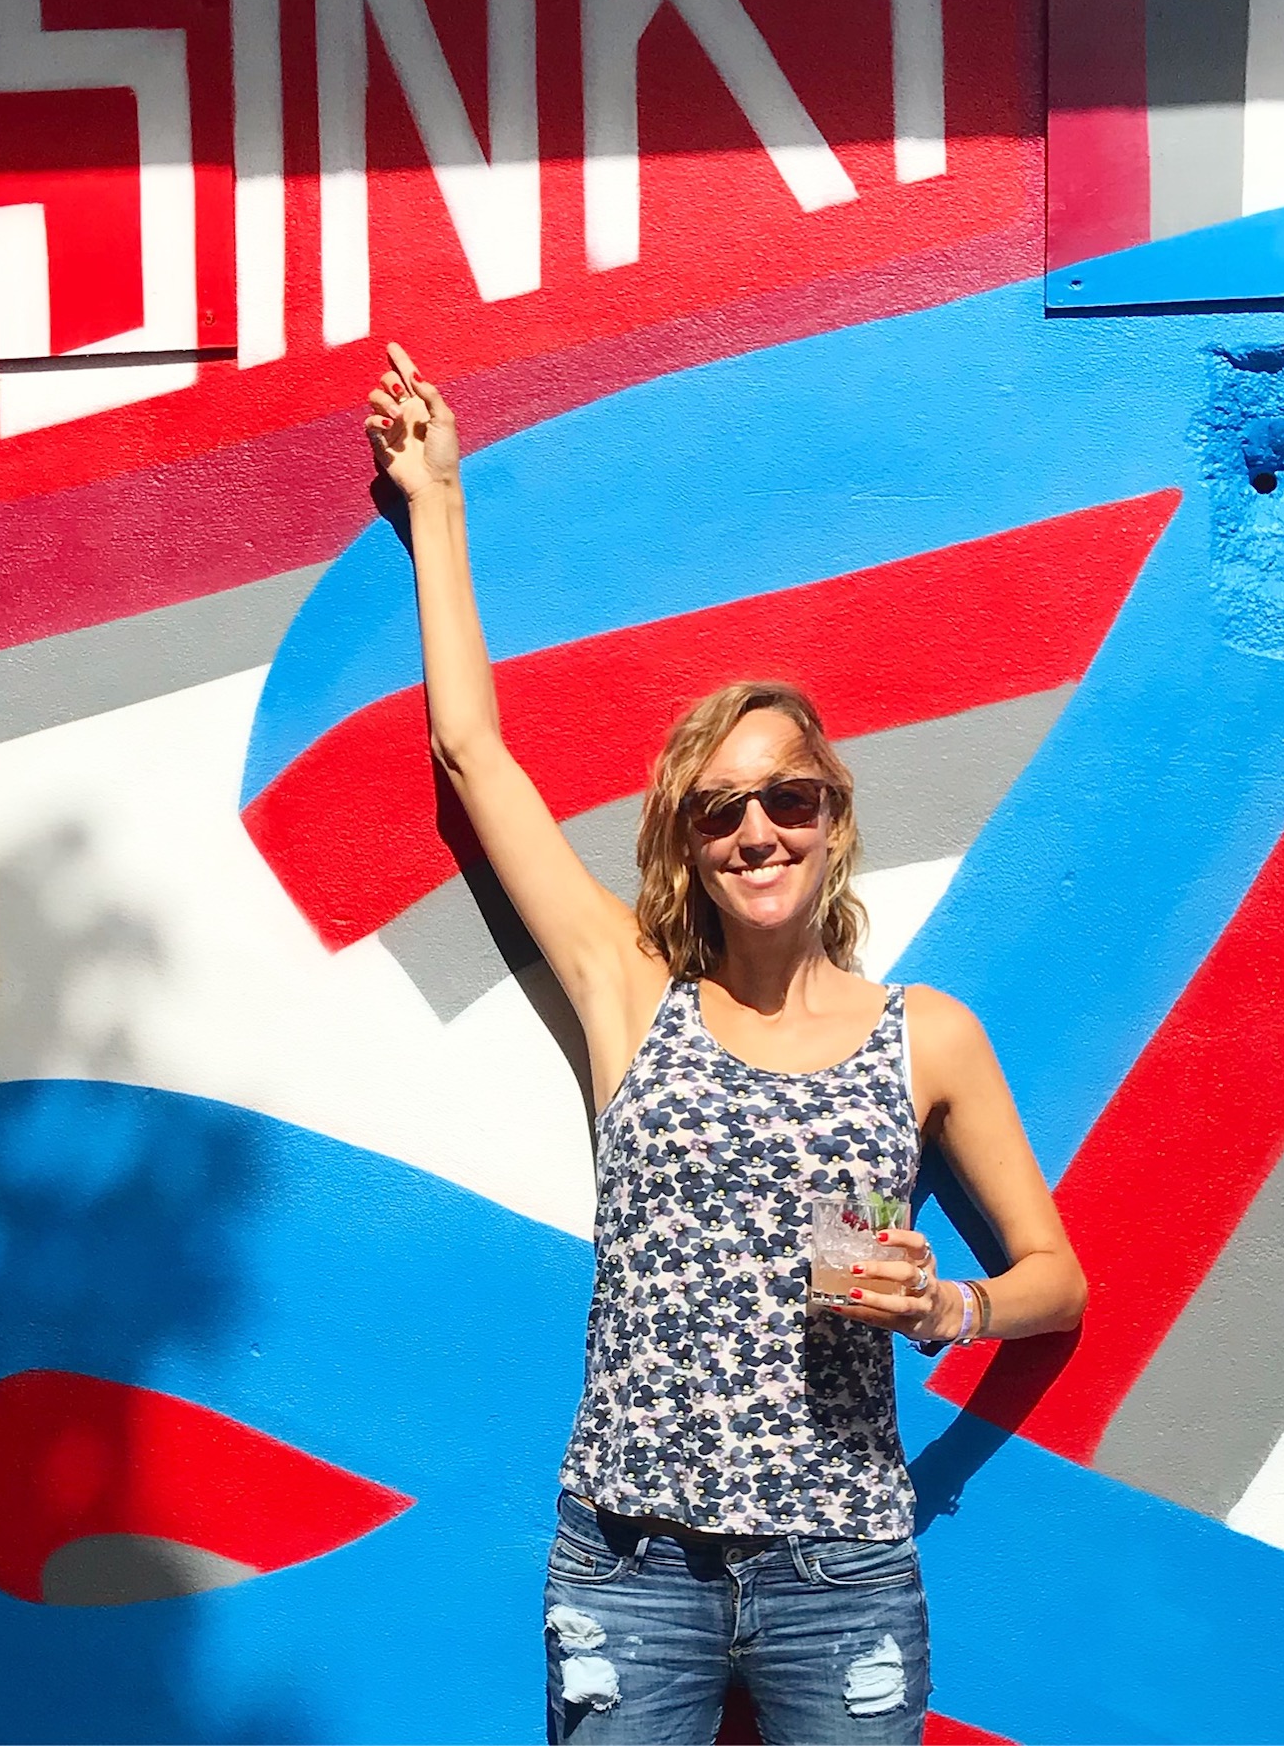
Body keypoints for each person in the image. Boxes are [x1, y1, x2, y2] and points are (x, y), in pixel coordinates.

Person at [362, 344, 1087, 1745]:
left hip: (848, 1568)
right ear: (686, 849)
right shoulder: (635, 995)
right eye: (721, 811)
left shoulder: (922, 1036)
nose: (760, 829)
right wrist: (437, 505)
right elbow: (472, 761)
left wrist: (950, 1312)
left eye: (790, 799)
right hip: (632, 1564)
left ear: (833, 817)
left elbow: (1055, 1279)